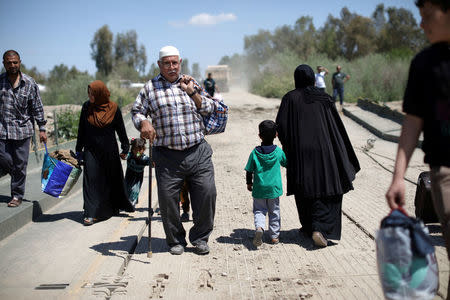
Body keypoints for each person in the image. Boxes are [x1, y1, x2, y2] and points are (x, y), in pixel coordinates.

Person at [385, 0, 450, 297]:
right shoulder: (424, 64)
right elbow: (412, 123)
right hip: (446, 174)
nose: (421, 24)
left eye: (427, 16)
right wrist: (398, 176)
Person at [131, 45, 218, 255]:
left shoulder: (191, 83)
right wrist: (143, 123)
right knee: (168, 201)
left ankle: (200, 237)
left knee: (207, 193)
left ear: (180, 63)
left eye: (175, 63)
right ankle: (175, 240)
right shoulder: (150, 88)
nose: (171, 67)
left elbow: (208, 108)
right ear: (159, 65)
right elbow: (136, 111)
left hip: (198, 151)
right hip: (167, 156)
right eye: (167, 63)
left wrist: (193, 92)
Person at [276, 64, 360, 247]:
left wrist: (289, 146)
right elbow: (337, 127)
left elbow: (280, 126)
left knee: (304, 188)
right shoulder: (325, 98)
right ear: (313, 79)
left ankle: (308, 226)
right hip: (324, 150)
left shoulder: (289, 98)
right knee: (328, 187)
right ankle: (319, 229)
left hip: (300, 151)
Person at [76, 80, 134, 226]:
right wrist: (78, 150)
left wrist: (125, 148)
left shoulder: (114, 109)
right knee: (91, 181)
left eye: (93, 94)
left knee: (110, 179)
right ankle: (90, 213)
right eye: (89, 93)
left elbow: (121, 130)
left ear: (100, 94)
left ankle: (113, 207)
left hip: (109, 151)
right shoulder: (86, 107)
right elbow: (81, 129)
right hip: (91, 151)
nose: (90, 96)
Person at [0, 50, 47, 207]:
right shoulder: (0, 82)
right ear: (4, 64)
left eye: (15, 62)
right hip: (3, 130)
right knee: (5, 159)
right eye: (9, 63)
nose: (12, 65)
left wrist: (42, 129)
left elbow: (37, 107)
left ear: (19, 62)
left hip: (23, 130)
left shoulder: (29, 83)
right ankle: (16, 175)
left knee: (21, 164)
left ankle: (17, 195)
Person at [245, 120, 287, 247]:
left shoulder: (255, 152)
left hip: (259, 188)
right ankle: (274, 236)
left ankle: (259, 228)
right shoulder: (278, 152)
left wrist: (249, 183)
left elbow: (249, 170)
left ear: (259, 136)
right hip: (274, 188)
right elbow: (286, 163)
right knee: (274, 211)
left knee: (259, 210)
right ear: (276, 135)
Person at [125, 138, 151, 207]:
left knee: (135, 190)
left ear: (144, 149)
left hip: (138, 178)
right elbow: (124, 156)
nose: (137, 153)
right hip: (129, 176)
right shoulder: (130, 155)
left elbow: (152, 164)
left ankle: (132, 204)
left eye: (139, 151)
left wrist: (153, 161)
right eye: (135, 150)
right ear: (132, 149)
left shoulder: (144, 158)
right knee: (127, 189)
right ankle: (126, 202)